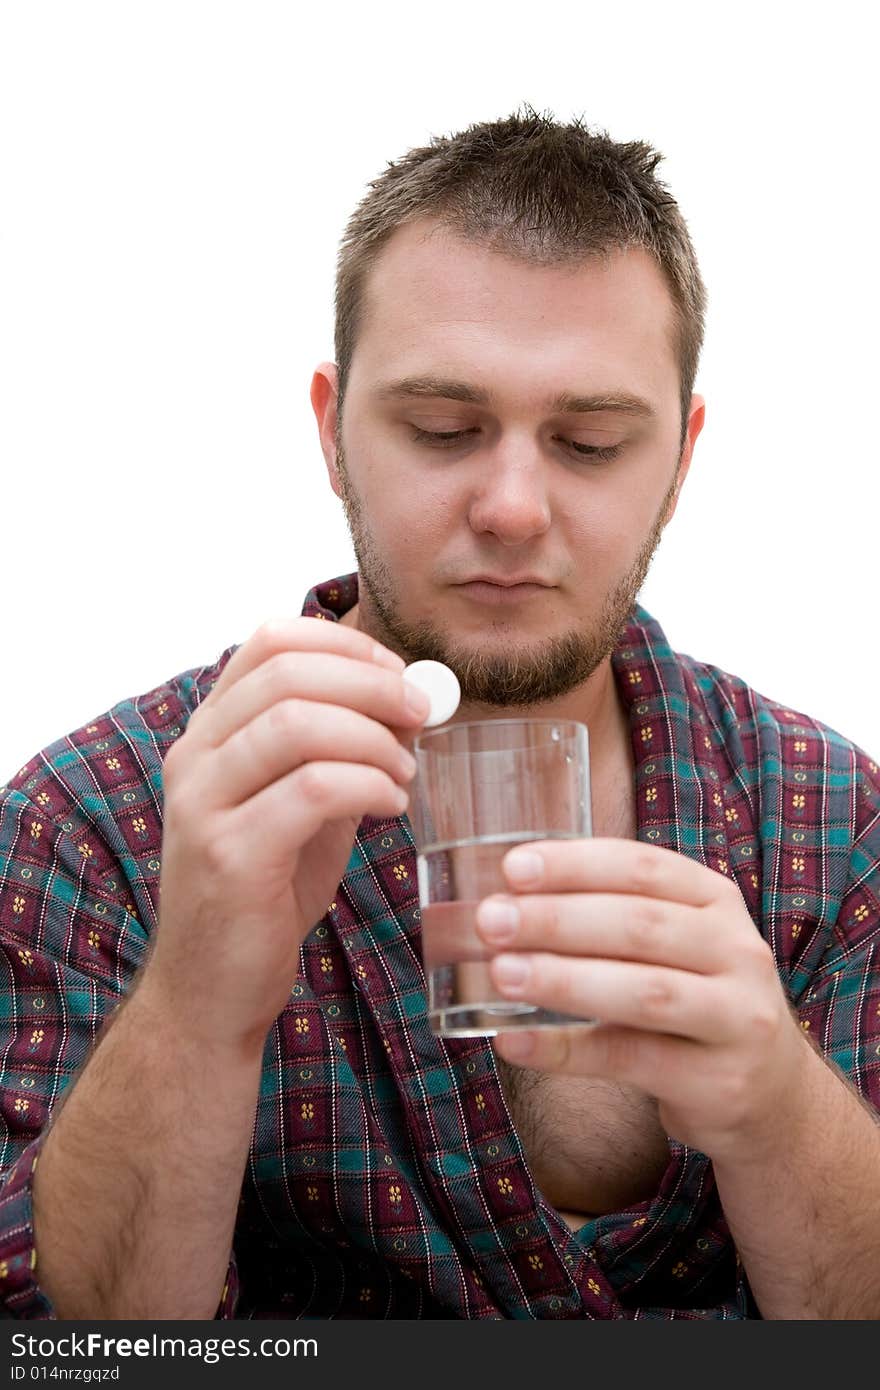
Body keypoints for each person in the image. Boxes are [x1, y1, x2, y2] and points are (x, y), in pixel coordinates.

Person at [1, 106, 878, 1323]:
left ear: (677, 460)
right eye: (442, 430)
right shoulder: (94, 821)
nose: (512, 506)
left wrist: (781, 1106)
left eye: (588, 441)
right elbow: (74, 1350)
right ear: (332, 431)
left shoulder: (825, 820)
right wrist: (198, 995)